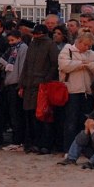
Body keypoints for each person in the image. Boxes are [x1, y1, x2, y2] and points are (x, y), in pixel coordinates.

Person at [57, 31, 94, 152]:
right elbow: (64, 65)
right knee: (70, 122)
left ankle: (84, 149)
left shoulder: (92, 53)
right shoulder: (67, 50)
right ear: (79, 42)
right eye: (85, 45)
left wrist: (86, 65)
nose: (87, 48)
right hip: (72, 91)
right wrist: (83, 64)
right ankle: (68, 149)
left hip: (87, 92)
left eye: (89, 46)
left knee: (85, 121)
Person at [19, 24, 58, 155]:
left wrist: (46, 80)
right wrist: (22, 85)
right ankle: (33, 143)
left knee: (43, 116)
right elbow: (26, 65)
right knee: (30, 116)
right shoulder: (32, 44)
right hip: (29, 84)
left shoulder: (50, 44)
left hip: (42, 85)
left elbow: (54, 64)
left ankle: (44, 144)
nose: (34, 35)